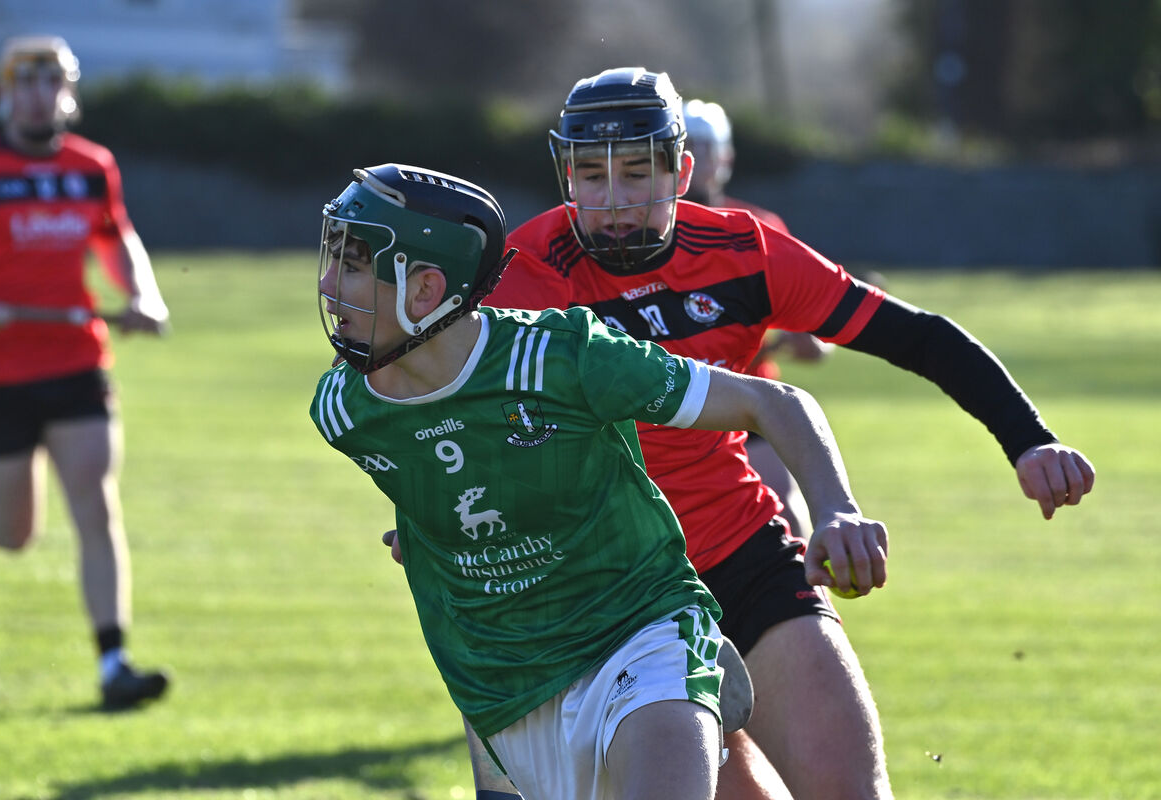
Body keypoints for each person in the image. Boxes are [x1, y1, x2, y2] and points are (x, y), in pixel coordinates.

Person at [482, 67, 1096, 800]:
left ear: (682, 171)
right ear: (566, 176)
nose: (612, 203)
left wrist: (1028, 440)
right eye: (590, 177)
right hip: (604, 592)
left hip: (740, 552)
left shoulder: (746, 252)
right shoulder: (520, 278)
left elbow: (919, 337)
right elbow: (436, 406)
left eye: (637, 174)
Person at [310, 163, 890, 800]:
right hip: (498, 683)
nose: (329, 284)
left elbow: (775, 402)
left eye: (354, 265)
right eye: (332, 258)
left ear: (425, 292)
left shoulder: (566, 357)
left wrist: (836, 510)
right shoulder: (344, 412)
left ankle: (692, 674)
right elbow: (451, 482)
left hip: (640, 633)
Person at [0, 36, 171, 710]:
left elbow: (117, 239)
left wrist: (143, 295)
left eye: (52, 80)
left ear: (69, 92)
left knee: (94, 500)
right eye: (25, 81)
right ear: (6, 92)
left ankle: (114, 663)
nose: (38, 93)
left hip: (78, 359)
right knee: (13, 530)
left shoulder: (92, 166)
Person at [684, 97, 834, 543]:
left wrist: (801, 341)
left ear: (725, 156)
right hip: (673, 408)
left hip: (751, 403)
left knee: (787, 513)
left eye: (706, 148)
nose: (697, 159)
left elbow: (808, 336)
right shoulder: (644, 233)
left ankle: (810, 602)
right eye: (687, 146)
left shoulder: (757, 228)